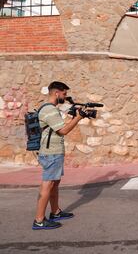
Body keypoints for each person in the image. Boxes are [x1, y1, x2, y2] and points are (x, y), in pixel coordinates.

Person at [32, 81, 84, 230]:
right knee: (47, 185)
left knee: (54, 184)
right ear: (57, 93)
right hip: (50, 153)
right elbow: (63, 131)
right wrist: (78, 118)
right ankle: (39, 220)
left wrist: (73, 115)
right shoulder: (49, 110)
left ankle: (55, 212)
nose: (65, 96)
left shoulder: (52, 109)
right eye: (64, 94)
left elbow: (58, 128)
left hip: (54, 152)